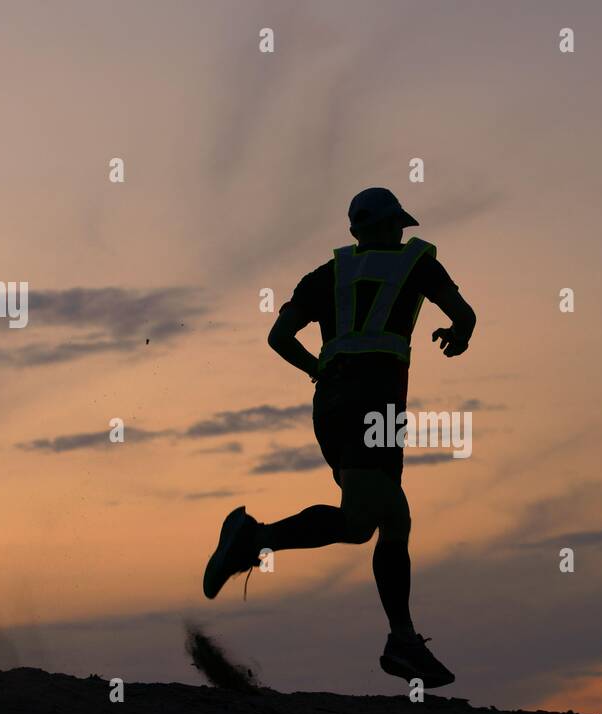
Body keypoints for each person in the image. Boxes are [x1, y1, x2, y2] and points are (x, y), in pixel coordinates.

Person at [203, 187, 476, 688]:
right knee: (368, 519)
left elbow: (278, 338)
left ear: (354, 231)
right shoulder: (417, 262)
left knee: (383, 519)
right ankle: (255, 540)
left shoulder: (326, 274)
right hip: (378, 401)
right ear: (394, 225)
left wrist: (319, 371)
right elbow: (465, 316)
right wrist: (457, 337)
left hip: (333, 402)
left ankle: (403, 640)